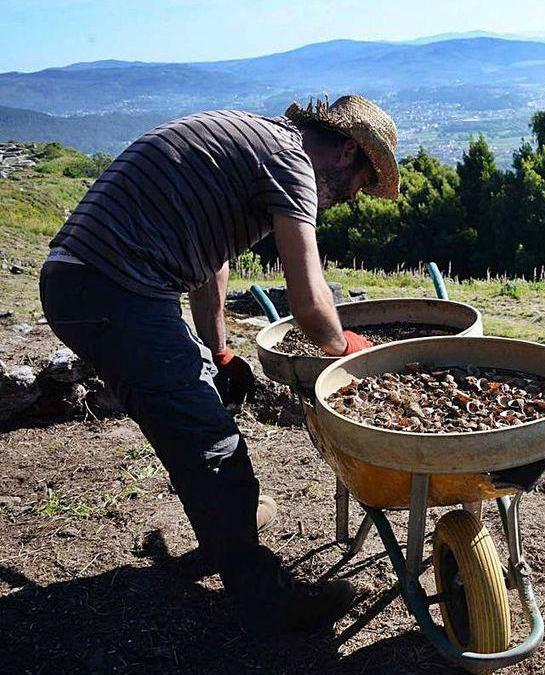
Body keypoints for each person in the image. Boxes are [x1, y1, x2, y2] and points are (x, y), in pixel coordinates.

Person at [38, 95, 398, 632]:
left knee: (198, 399)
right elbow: (311, 304)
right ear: (347, 152)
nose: (351, 199)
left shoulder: (256, 144)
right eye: (363, 182)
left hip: (87, 280)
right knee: (209, 438)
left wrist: (218, 349)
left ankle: (224, 534)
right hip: (111, 287)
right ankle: (263, 597)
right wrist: (348, 350)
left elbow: (211, 260)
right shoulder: (293, 163)